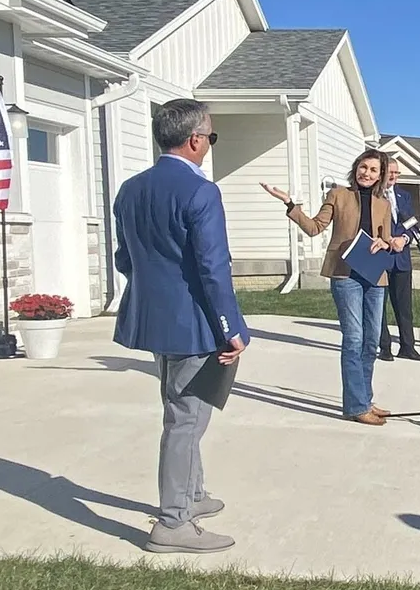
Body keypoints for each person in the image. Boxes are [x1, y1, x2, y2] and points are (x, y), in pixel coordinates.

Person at [113, 98, 248, 553]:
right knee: (185, 420)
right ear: (195, 140)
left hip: (154, 317)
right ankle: (172, 522)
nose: (209, 144)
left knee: (182, 412)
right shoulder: (201, 191)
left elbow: (124, 259)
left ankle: (190, 494)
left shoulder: (130, 189)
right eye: (211, 137)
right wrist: (232, 326)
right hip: (193, 320)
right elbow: (214, 267)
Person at [263, 149, 402, 425]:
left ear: (381, 175)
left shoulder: (384, 204)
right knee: (353, 339)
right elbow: (315, 227)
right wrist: (290, 204)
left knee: (371, 341)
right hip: (345, 275)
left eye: (374, 170)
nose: (367, 174)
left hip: (374, 276)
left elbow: (385, 239)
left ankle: (364, 399)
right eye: (364, 167)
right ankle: (355, 406)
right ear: (356, 168)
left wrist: (389, 243)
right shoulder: (338, 195)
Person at [375, 157, 420, 362]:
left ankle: (407, 346)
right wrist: (389, 241)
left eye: (397, 173)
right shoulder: (374, 196)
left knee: (404, 305)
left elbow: (412, 223)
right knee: (380, 304)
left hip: (402, 258)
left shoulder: (403, 196)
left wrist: (405, 239)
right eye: (390, 172)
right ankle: (384, 347)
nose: (394, 176)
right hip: (381, 257)